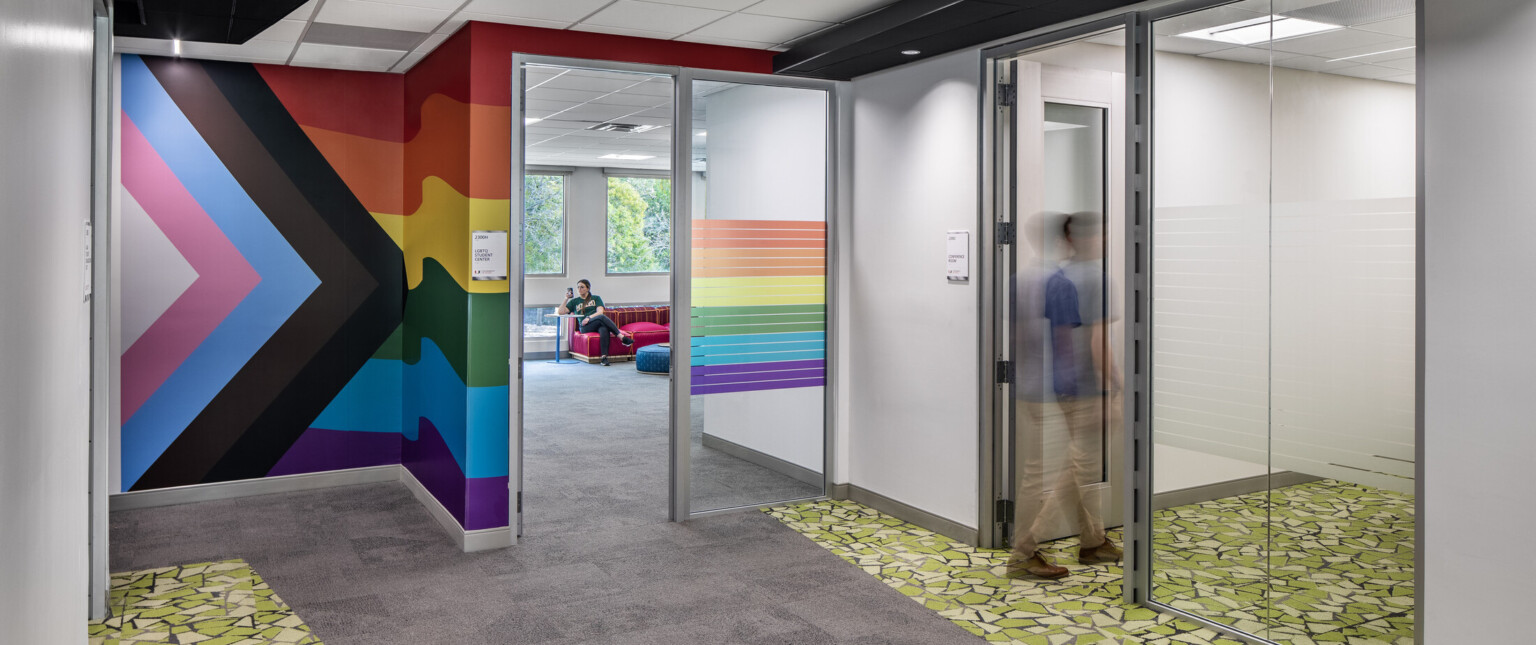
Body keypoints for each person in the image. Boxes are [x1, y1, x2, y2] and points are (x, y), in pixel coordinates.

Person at [1006, 212, 1122, 580]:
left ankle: (1093, 539)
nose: (1106, 239)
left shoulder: (1023, 279)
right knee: (1071, 470)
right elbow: (1086, 343)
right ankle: (1025, 550)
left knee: (1077, 469)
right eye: (1102, 234)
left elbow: (1019, 339)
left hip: (1034, 387)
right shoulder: (1070, 281)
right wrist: (1110, 389)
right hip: (1067, 390)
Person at [557, 279, 632, 366]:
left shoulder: (596, 298)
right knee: (601, 318)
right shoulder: (574, 301)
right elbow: (561, 312)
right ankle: (622, 337)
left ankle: (604, 358)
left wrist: (589, 318)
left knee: (604, 329)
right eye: (578, 287)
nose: (579, 289)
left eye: (582, 287)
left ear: (588, 288)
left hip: (595, 322)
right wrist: (566, 298)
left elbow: (600, 311)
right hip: (585, 327)